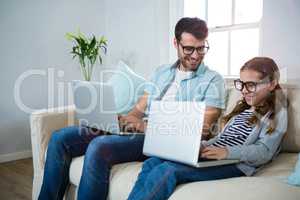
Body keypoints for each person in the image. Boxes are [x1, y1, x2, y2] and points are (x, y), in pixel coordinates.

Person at [38, 17, 225, 200]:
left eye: (201, 48)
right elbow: (137, 111)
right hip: (140, 132)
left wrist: (142, 126)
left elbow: (202, 131)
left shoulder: (212, 80)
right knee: (60, 138)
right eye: (189, 48)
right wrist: (120, 120)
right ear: (175, 43)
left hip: (163, 142)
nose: (195, 55)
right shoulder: (161, 72)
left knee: (99, 146)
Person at [127, 57, 288, 200]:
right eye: (242, 84)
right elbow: (221, 140)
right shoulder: (244, 111)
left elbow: (265, 152)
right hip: (215, 156)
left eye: (251, 85)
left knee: (168, 170)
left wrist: (227, 152)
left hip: (235, 164)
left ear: (272, 84)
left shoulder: (278, 111)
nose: (244, 90)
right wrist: (200, 146)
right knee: (152, 163)